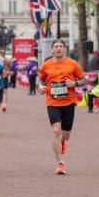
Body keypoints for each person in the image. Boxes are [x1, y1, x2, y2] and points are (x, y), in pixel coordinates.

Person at [37, 39, 85, 175]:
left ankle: (63, 142)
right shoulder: (46, 65)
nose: (58, 49)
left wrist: (74, 84)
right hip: (52, 102)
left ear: (64, 49)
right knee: (56, 130)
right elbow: (41, 80)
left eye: (61, 46)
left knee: (66, 135)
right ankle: (60, 163)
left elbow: (83, 79)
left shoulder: (72, 64)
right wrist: (40, 86)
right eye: (56, 47)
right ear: (52, 50)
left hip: (68, 102)